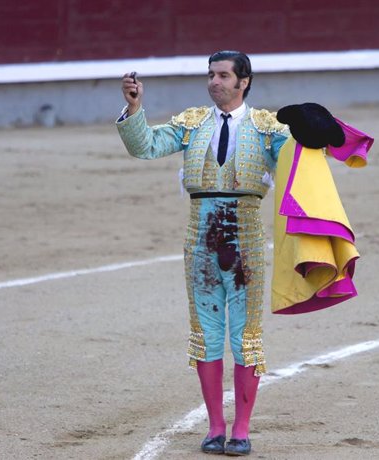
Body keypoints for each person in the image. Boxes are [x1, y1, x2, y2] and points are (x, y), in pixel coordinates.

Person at [116, 50, 287, 456]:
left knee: (245, 337)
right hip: (200, 235)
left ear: (243, 81)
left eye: (223, 76)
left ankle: (241, 429)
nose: (214, 82)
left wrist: (315, 136)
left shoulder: (268, 128)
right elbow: (146, 146)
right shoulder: (191, 123)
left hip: (245, 235)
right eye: (211, 75)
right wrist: (134, 107)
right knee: (206, 336)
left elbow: (300, 162)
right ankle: (214, 427)